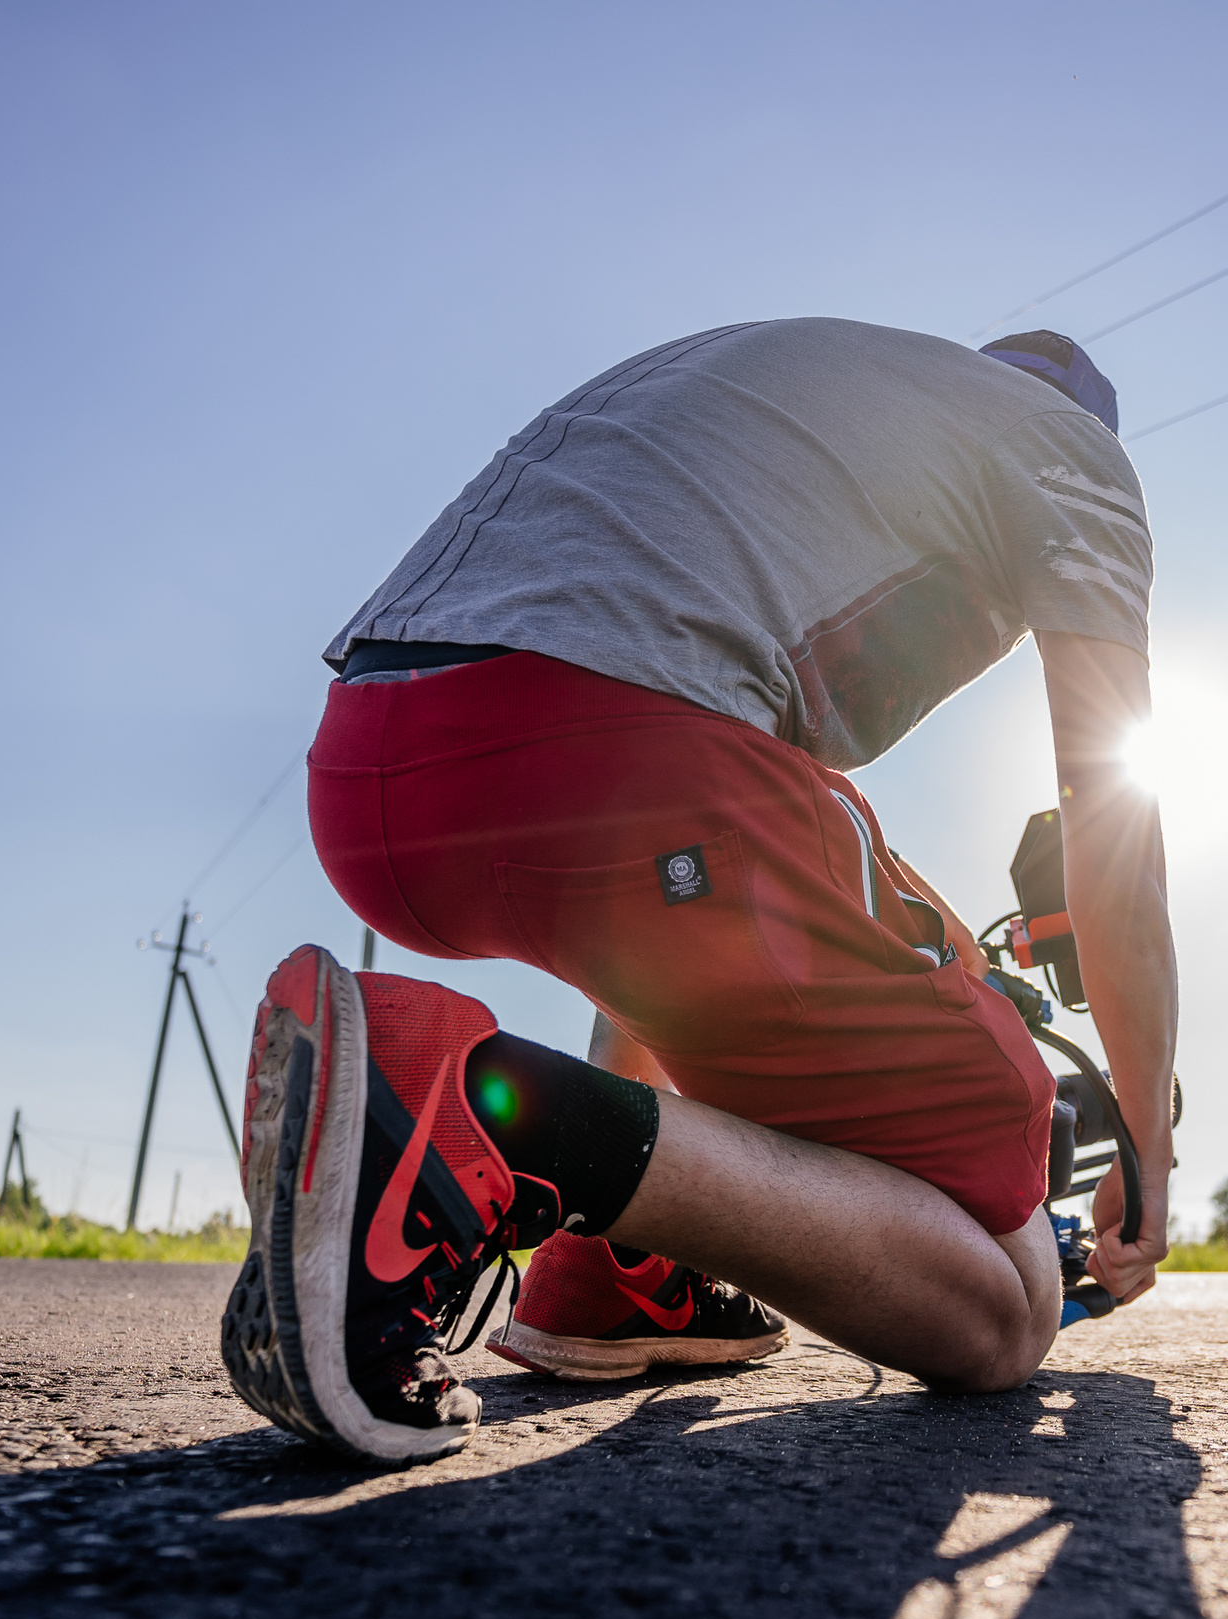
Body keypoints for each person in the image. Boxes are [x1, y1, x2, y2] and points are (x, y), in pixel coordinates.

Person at [219, 319, 1176, 1465]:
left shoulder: (808, 390)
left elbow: (697, 880)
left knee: (732, 882)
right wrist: (1148, 1143)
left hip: (375, 777)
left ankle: (614, 1267)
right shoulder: (1069, 447)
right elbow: (1110, 821)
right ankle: (488, 1110)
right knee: (1008, 1302)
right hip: (608, 751)